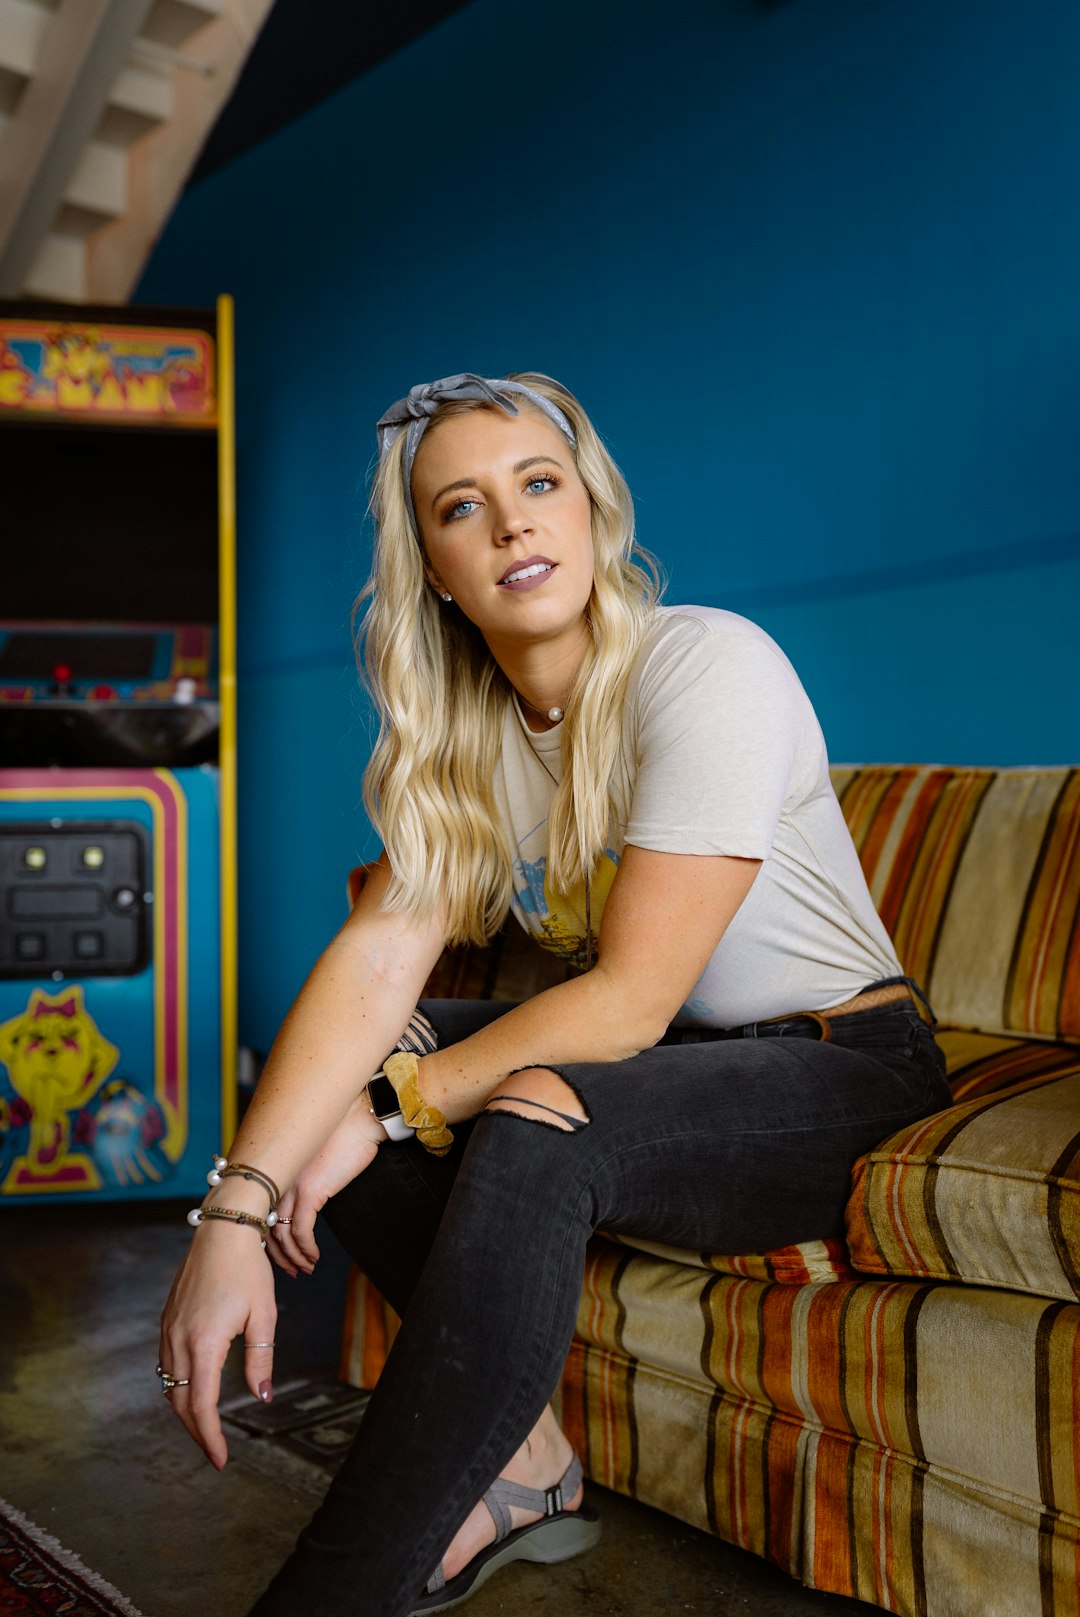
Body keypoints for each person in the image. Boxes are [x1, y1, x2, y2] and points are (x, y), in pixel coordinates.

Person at [158, 372, 952, 1617]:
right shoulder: (462, 739)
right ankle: (525, 1465)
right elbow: (376, 969)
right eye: (461, 508)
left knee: (517, 1105)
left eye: (539, 485)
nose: (515, 523)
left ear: (592, 510)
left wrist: (386, 1104)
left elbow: (629, 1001)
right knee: (334, 1085)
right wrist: (233, 1215)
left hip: (844, 1066)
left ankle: (328, 1596)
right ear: (432, 567)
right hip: (674, 1068)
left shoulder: (708, 665)